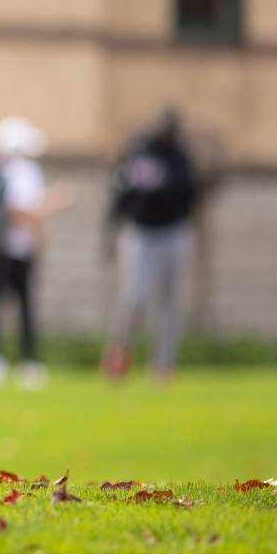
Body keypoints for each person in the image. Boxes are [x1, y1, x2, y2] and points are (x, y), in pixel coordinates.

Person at [0, 117, 73, 389]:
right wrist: (56, 201)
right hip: (13, 250)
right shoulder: (22, 172)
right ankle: (24, 361)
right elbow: (22, 212)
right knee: (20, 305)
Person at [101, 106, 198, 383]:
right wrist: (110, 228)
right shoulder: (138, 150)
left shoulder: (180, 156)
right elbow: (120, 191)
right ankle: (119, 352)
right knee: (135, 296)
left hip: (173, 231)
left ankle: (163, 363)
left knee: (169, 301)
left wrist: (160, 188)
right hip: (141, 231)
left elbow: (187, 193)